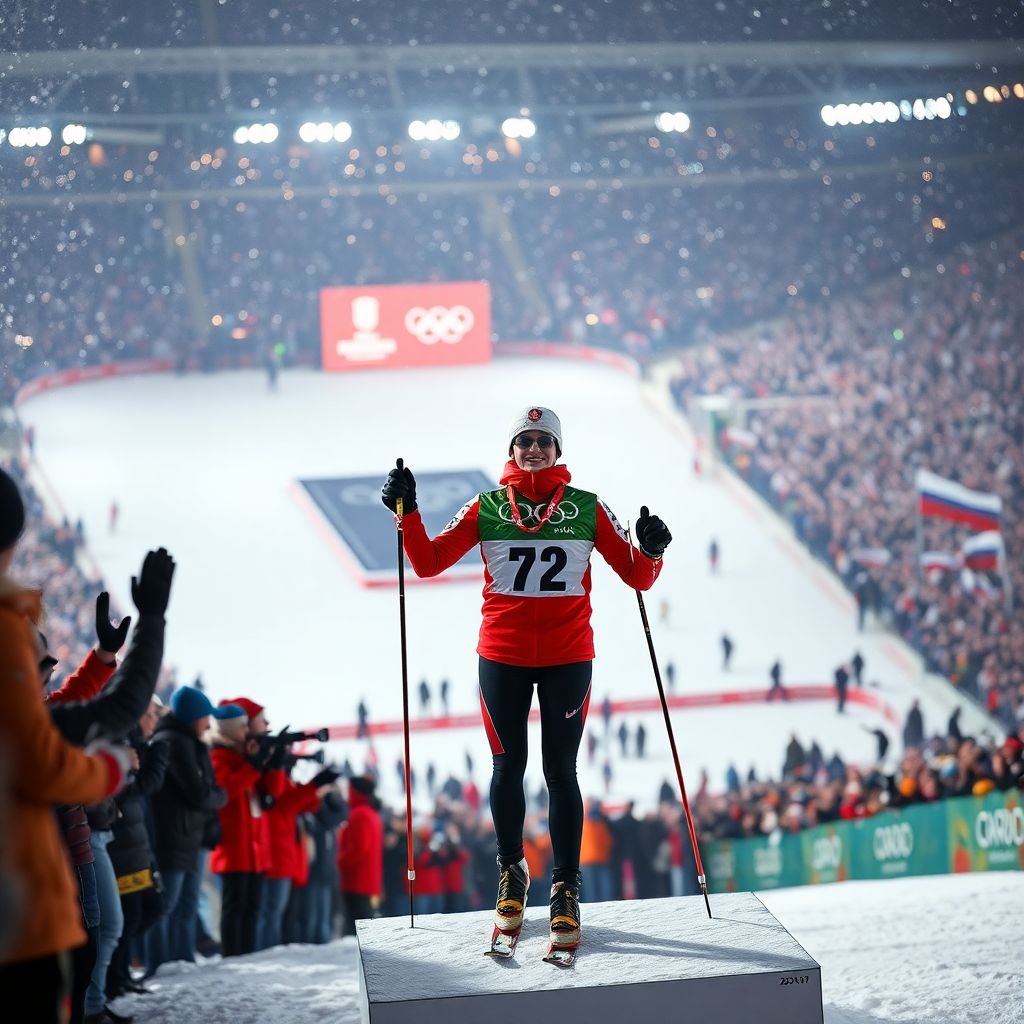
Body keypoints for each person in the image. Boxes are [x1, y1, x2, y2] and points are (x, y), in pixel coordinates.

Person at [381, 406, 671, 953]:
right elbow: (426, 562)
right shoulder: (486, 506)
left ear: (558, 450)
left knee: (561, 771)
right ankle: (512, 873)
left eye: (543, 440)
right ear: (511, 449)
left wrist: (653, 550)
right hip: (503, 657)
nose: (533, 449)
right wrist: (408, 512)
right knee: (506, 766)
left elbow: (636, 575)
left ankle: (565, 887)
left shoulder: (587, 507)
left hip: (567, 657)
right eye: (524, 440)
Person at [0, 467, 133, 1022]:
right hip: (20, 898)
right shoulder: (5, 628)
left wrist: (102, 660)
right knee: (96, 931)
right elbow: (42, 757)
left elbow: (67, 705)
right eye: (41, 665)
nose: (46, 674)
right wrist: (107, 769)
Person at [145, 686, 229, 977]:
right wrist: (219, 796)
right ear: (194, 716)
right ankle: (160, 966)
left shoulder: (191, 742)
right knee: (166, 907)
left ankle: (180, 963)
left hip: (188, 837)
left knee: (185, 906)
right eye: (206, 716)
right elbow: (199, 793)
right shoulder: (174, 742)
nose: (209, 723)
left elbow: (206, 791)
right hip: (174, 837)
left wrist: (213, 794)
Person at [337, 775, 383, 935]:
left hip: (357, 880)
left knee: (356, 927)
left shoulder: (360, 814)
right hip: (366, 880)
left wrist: (339, 862)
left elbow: (359, 848)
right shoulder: (370, 813)